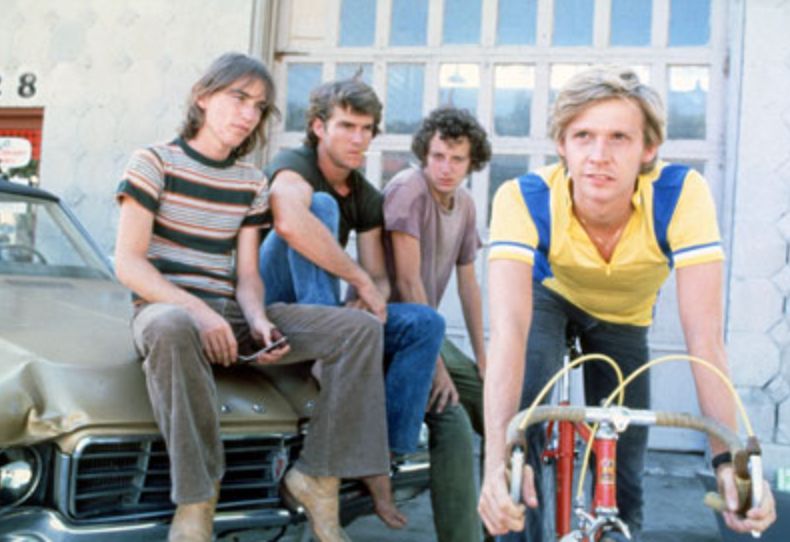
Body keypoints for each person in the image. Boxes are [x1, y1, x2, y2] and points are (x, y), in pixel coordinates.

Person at [477, 65, 777, 541]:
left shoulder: (680, 196)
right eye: (583, 136)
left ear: (648, 150)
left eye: (619, 137)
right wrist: (497, 462)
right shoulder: (524, 198)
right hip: (548, 299)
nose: (599, 155)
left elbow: (704, 338)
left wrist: (728, 460)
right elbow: (510, 332)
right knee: (520, 436)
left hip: (624, 317)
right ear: (562, 144)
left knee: (624, 454)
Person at [114, 52, 390, 542]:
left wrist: (258, 320)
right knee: (171, 325)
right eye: (238, 98)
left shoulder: (249, 181)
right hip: (164, 311)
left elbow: (247, 276)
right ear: (203, 97)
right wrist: (198, 312)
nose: (248, 114)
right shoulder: (153, 161)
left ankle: (317, 477)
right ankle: (197, 500)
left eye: (259, 107)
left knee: (361, 329)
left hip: (230, 314)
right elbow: (129, 263)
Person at [258, 77, 444, 529]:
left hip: (324, 307)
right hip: (272, 300)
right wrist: (355, 286)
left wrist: (371, 304)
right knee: (317, 207)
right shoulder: (294, 164)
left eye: (366, 129)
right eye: (346, 126)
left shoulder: (365, 195)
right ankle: (328, 351)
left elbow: (378, 276)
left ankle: (384, 455)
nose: (358, 138)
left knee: (424, 323)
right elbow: (288, 222)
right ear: (319, 127)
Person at [382, 106, 490, 542]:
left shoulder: (463, 203)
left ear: (472, 162)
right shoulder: (408, 189)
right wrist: (437, 368)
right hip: (393, 325)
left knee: (499, 406)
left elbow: (469, 285)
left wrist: (484, 358)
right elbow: (407, 281)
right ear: (424, 155)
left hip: (430, 330)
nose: (446, 168)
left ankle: (513, 522)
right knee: (454, 419)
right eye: (439, 156)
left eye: (457, 159)